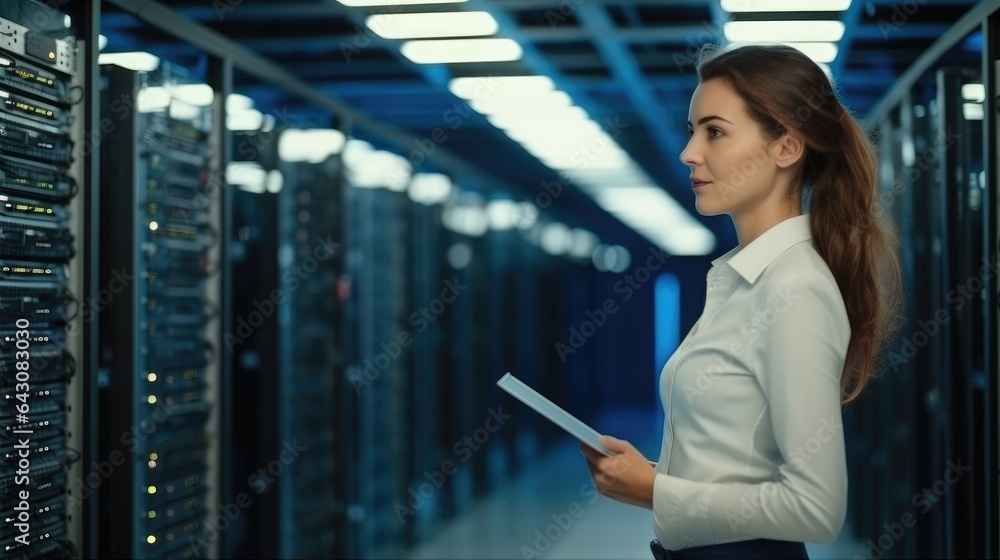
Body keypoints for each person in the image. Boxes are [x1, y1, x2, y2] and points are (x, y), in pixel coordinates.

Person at [578, 43, 904, 560]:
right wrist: (654, 476)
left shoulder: (794, 289)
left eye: (716, 131)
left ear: (786, 148)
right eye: (692, 131)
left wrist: (655, 491)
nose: (689, 152)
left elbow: (816, 508)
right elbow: (738, 466)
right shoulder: (741, 280)